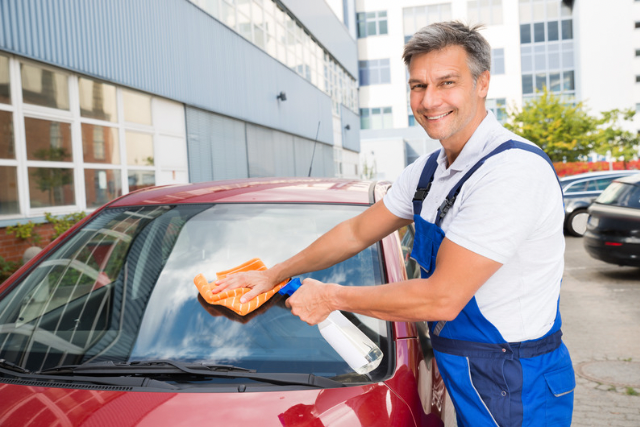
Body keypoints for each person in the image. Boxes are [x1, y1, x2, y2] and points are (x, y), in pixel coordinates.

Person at [214, 21, 574, 427]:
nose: (429, 99)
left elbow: (442, 298)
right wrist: (275, 274)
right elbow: (354, 232)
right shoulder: (428, 172)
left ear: (482, 83)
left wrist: (331, 298)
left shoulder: (511, 172)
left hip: (516, 380)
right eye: (418, 85)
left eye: (446, 82)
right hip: (468, 368)